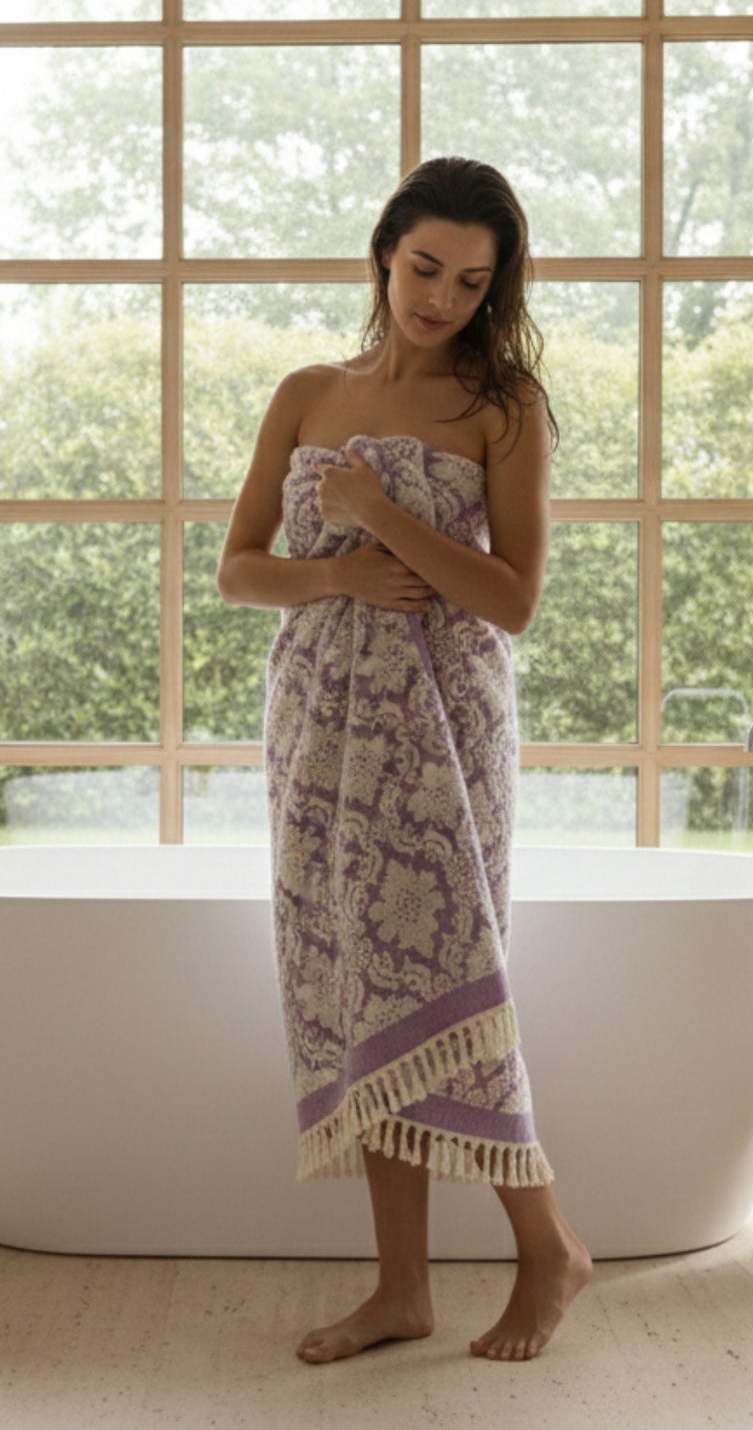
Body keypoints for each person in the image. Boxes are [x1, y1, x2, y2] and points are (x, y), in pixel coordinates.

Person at [217, 157, 593, 1365]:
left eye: (470, 281)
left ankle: (549, 1247)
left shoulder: (503, 404)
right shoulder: (305, 392)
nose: (439, 298)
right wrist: (332, 569)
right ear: (384, 251)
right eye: (424, 267)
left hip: (441, 729)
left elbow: (513, 598)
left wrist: (383, 517)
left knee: (440, 976)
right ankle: (400, 1289)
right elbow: (237, 568)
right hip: (315, 727)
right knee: (353, 987)